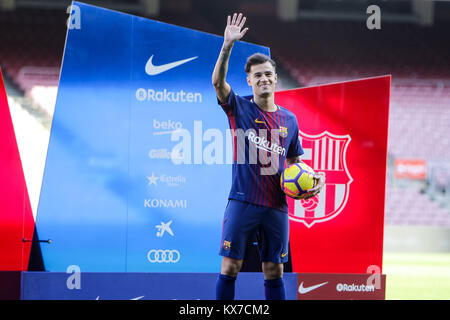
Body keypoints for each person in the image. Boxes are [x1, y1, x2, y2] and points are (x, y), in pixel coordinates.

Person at [212, 13, 325, 300]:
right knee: (230, 266)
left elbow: (294, 163)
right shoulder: (239, 107)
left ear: (275, 78)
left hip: (276, 206)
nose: (263, 78)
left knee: (274, 270)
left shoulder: (290, 120)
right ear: (249, 80)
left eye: (267, 74)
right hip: (243, 200)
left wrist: (312, 182)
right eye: (257, 75)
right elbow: (217, 83)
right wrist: (227, 45)